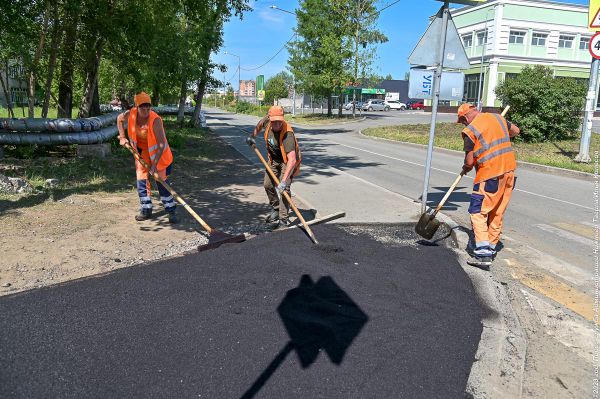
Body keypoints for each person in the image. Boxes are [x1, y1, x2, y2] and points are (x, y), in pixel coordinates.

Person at [457, 103, 520, 269]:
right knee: (497, 212)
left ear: (465, 117)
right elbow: (515, 131)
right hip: (509, 173)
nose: (464, 124)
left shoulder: (470, 132)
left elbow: (470, 161)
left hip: (489, 176)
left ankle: (483, 254)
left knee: (477, 212)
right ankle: (491, 248)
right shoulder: (497, 118)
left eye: (462, 121)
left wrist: (466, 167)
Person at [117, 92, 178, 223]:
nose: (145, 110)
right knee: (142, 182)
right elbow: (119, 119)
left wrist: (154, 166)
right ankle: (146, 209)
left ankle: (171, 210)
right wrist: (122, 137)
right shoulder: (131, 113)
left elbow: (161, 145)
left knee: (161, 183)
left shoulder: (155, 120)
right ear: (136, 106)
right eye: (142, 107)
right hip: (142, 154)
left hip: (159, 156)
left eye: (148, 107)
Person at [246, 105, 301, 228]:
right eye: (274, 121)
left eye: (279, 121)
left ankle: (283, 220)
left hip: (287, 162)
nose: (277, 124)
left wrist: (283, 181)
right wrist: (252, 136)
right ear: (270, 119)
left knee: (284, 189)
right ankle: (276, 209)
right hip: (274, 160)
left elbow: (292, 160)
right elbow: (260, 124)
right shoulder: (267, 121)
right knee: (268, 185)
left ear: (282, 119)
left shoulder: (288, 134)